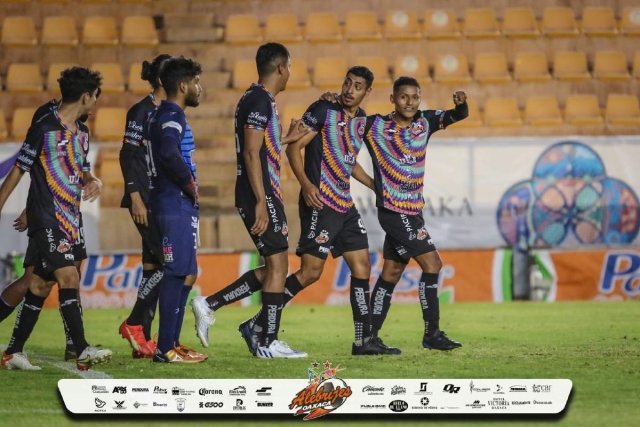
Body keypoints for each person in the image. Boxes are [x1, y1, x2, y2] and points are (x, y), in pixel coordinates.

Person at [190, 42, 310, 359]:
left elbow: (259, 143)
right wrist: (261, 199)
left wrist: (287, 138)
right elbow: (250, 151)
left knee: (274, 265)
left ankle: (211, 305)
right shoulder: (259, 101)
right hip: (261, 192)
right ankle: (267, 342)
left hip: (259, 191)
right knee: (279, 264)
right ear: (282, 67)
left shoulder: (253, 97)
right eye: (290, 67)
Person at [0, 67, 112, 370]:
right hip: (47, 217)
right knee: (69, 276)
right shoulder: (44, 127)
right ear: (86, 96)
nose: (96, 103)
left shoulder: (83, 133)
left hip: (71, 219)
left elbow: (81, 168)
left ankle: (13, 353)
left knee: (37, 283)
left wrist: (94, 180)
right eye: (96, 97)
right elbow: (18, 171)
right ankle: (81, 349)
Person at [360, 77, 467, 351]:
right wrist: (372, 184)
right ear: (393, 99)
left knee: (392, 271)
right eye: (404, 97)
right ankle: (432, 334)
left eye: (415, 97)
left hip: (413, 212)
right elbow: (343, 137)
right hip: (394, 212)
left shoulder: (425, 123)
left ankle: (368, 337)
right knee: (433, 265)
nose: (410, 102)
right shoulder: (376, 126)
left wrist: (461, 104)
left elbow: (457, 116)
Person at [147, 56, 207, 363]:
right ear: (183, 86)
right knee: (176, 272)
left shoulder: (166, 113)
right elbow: (169, 149)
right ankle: (165, 349)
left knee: (187, 272)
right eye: (196, 82)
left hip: (175, 204)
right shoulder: (172, 114)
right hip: (174, 203)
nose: (199, 87)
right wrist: (189, 183)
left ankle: (172, 342)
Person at [118, 54, 172, 359]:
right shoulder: (141, 111)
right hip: (145, 201)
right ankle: (134, 323)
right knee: (168, 264)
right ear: (164, 79)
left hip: (161, 200)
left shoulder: (168, 111)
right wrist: (135, 195)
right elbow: (127, 154)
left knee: (153, 267)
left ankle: (144, 340)